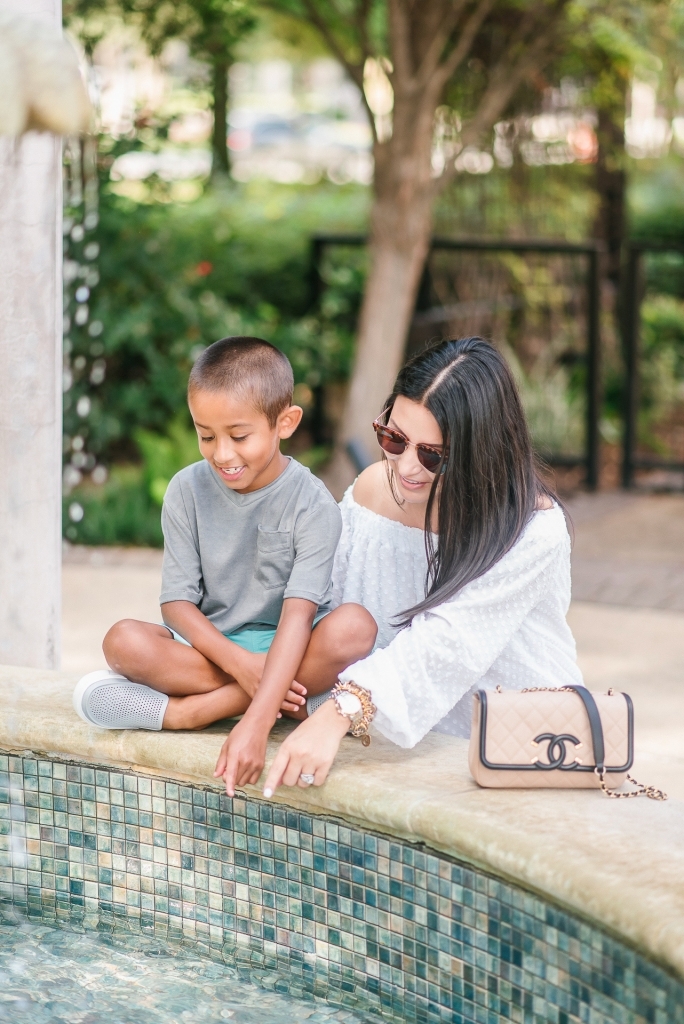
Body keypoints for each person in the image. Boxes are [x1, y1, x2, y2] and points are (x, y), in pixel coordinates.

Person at [261, 336, 584, 796]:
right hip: (394, 744)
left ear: (481, 451)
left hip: (523, 747)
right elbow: (321, 600)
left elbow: (447, 644)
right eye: (394, 438)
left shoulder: (532, 531)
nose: (407, 467)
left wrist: (340, 711)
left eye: (433, 455)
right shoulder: (374, 491)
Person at [72, 336, 376, 795]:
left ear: (285, 422)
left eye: (239, 436)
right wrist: (241, 665)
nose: (222, 454)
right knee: (124, 642)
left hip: (290, 646)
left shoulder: (313, 504)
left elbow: (298, 616)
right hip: (211, 649)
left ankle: (200, 708)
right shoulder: (185, 490)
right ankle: (275, 701)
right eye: (205, 435)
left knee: (355, 627)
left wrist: (254, 726)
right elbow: (176, 604)